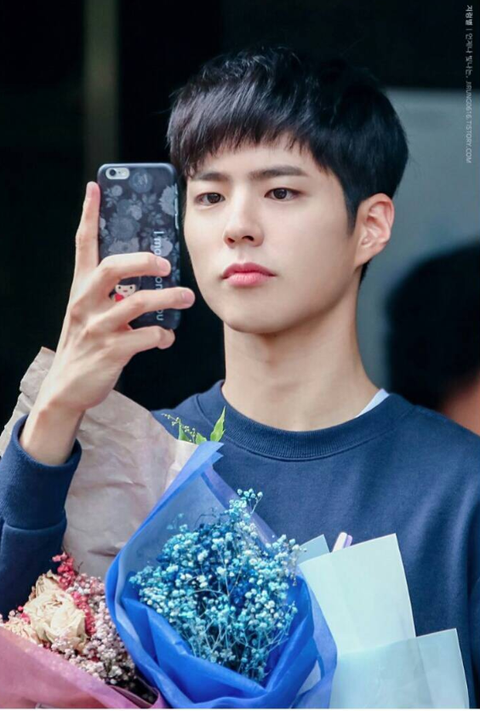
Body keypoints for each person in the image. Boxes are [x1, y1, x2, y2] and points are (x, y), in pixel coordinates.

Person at [0, 45, 478, 706]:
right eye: (210, 195)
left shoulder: (458, 488)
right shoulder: (137, 462)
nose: (238, 226)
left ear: (369, 226)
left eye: (280, 191)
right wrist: (54, 414)